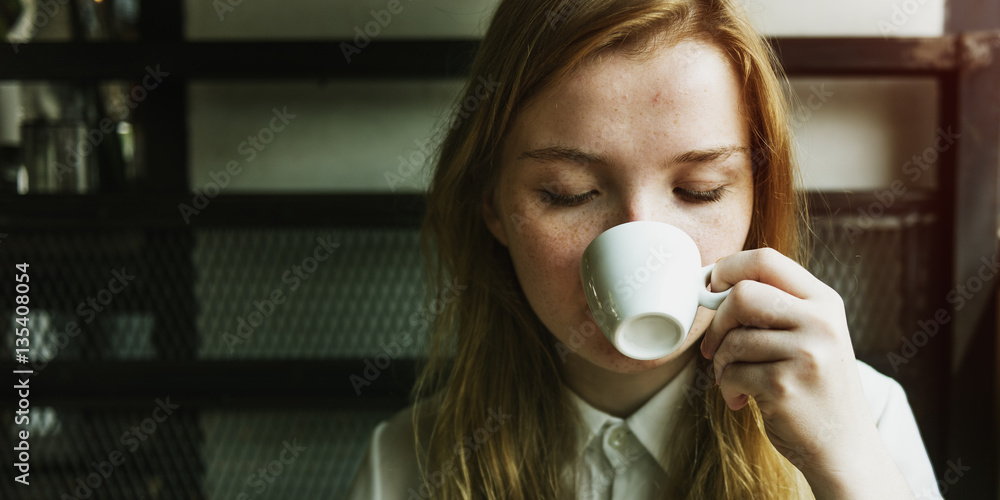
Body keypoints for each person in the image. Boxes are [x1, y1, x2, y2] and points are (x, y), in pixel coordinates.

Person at [348, 0, 942, 498]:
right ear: (493, 206)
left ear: (755, 202)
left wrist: (847, 468)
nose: (644, 239)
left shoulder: (864, 418)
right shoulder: (408, 466)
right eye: (568, 194)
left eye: (698, 190)